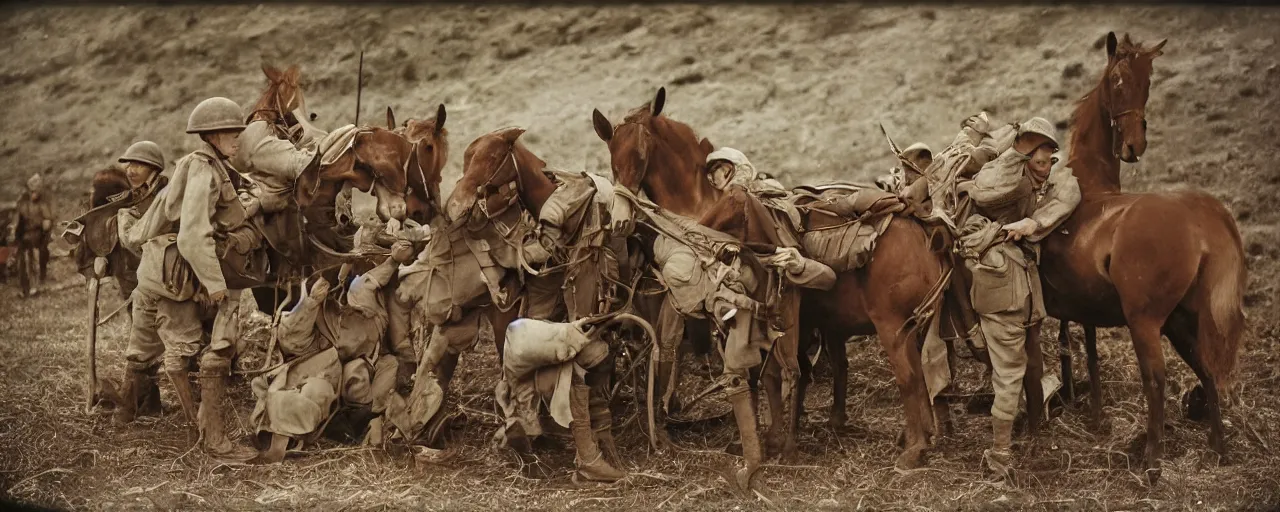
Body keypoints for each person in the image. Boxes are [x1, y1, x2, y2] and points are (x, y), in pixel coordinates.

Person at [126, 96, 264, 461]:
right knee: (200, 349)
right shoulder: (203, 167)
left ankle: (198, 428)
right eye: (233, 133)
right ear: (215, 135)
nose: (238, 139)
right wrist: (217, 286)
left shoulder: (211, 166)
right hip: (183, 275)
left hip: (174, 271)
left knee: (185, 349)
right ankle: (212, 440)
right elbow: (192, 234)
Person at [953, 116, 1081, 479]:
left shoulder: (1043, 180)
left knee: (1020, 365)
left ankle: (1022, 436)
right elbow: (985, 190)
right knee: (1009, 374)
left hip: (1023, 289)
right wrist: (1016, 150)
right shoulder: (1004, 176)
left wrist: (1035, 223)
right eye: (1037, 160)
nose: (1045, 169)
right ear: (1023, 156)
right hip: (1002, 289)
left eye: (1049, 159)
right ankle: (1000, 456)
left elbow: (1071, 191)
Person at [11, 173, 54, 296]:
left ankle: (35, 287)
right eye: (32, 191)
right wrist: (14, 230)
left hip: (36, 238)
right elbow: (16, 220)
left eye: (37, 191)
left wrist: (45, 226)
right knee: (22, 264)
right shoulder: (22, 204)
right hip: (24, 238)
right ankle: (24, 288)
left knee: (34, 261)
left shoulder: (42, 205)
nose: (35, 194)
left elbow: (47, 221)